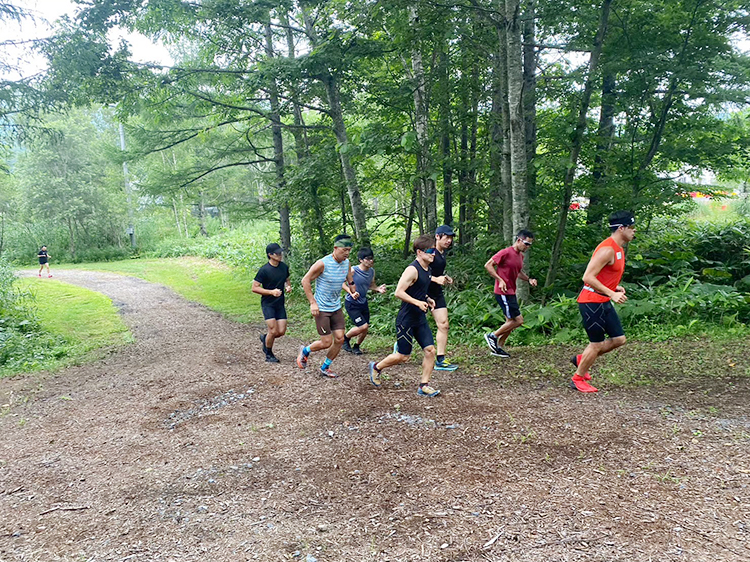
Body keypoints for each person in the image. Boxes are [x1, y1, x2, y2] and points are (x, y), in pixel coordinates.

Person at [570, 210, 636, 393]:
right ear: (621, 228)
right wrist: (611, 293)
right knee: (596, 344)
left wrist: (614, 288)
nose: (634, 231)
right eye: (631, 227)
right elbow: (587, 277)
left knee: (619, 339)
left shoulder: (619, 249)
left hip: (603, 299)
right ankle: (578, 378)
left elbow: (603, 276)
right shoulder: (607, 249)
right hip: (591, 301)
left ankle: (582, 358)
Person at [368, 234, 441, 397]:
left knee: (430, 351)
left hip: (419, 319)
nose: (433, 254)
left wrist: (427, 299)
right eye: (430, 250)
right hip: (406, 319)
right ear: (419, 252)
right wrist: (417, 302)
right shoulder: (412, 270)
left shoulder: (428, 269)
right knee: (403, 356)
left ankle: (424, 385)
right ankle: (376, 367)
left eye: (434, 250)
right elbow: (398, 292)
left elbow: (418, 290)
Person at [297, 234, 359, 378]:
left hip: (335, 307)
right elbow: (305, 280)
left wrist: (352, 289)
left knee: (340, 339)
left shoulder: (347, 263)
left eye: (349, 250)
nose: (347, 253)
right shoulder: (322, 263)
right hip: (322, 308)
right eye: (344, 250)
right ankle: (305, 350)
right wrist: (312, 303)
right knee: (326, 342)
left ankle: (325, 367)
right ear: (335, 248)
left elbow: (350, 279)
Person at [483, 230, 538, 358]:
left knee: (510, 321)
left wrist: (529, 279)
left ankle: (499, 347)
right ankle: (492, 336)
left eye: (530, 244)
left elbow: (518, 272)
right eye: (526, 244)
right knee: (518, 320)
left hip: (511, 292)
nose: (527, 247)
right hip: (503, 291)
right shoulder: (506, 252)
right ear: (519, 240)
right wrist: (500, 280)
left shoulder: (520, 256)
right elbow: (488, 265)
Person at [342, 247, 387, 355]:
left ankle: (356, 346)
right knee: (363, 326)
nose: (371, 261)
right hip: (351, 303)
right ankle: (345, 338)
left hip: (363, 302)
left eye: (372, 258)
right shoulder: (353, 270)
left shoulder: (371, 271)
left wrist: (377, 289)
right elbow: (341, 283)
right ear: (361, 260)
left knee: (365, 328)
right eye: (368, 258)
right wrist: (351, 292)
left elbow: (371, 285)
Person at [252, 243, 292, 363]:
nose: (280, 255)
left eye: (280, 253)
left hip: (280, 304)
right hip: (268, 304)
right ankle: (268, 354)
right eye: (277, 253)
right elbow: (254, 288)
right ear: (270, 255)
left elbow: (287, 280)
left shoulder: (284, 267)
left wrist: (288, 286)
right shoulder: (264, 270)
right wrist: (271, 292)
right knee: (273, 330)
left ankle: (265, 338)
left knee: (281, 332)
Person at [429, 225, 458, 371]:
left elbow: (434, 271)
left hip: (436, 292)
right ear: (437, 236)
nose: (449, 241)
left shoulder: (442, 253)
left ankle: (440, 359)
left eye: (451, 238)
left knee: (444, 324)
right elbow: (416, 270)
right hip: (421, 292)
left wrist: (444, 277)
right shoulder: (429, 251)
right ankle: (400, 346)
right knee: (411, 325)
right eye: (446, 237)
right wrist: (435, 279)